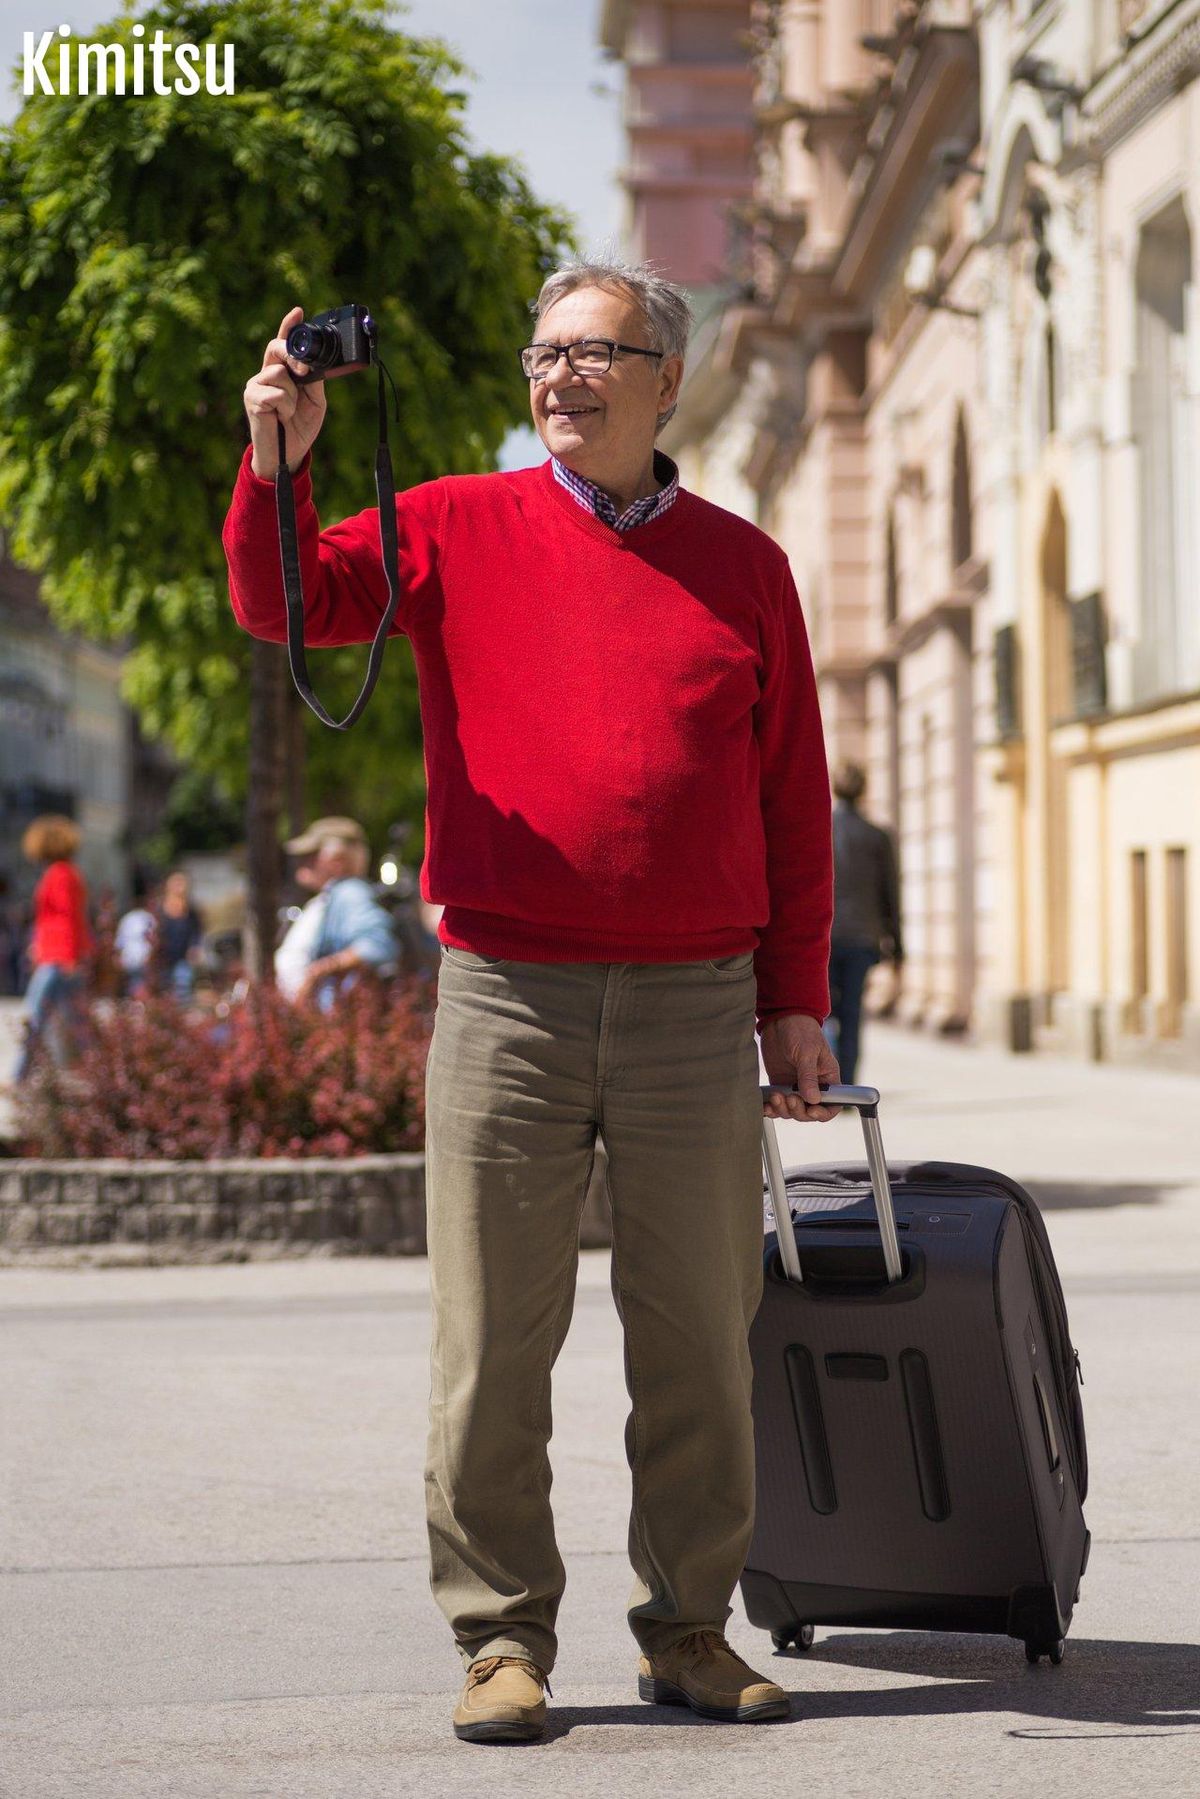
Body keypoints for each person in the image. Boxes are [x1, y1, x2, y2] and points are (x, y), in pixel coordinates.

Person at [223, 259, 839, 1742]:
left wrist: (794, 1002)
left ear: (666, 381)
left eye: (596, 353)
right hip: (509, 988)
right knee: (493, 1336)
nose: (560, 376)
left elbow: (789, 798)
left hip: (698, 998)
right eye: (544, 354)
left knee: (699, 1330)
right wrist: (275, 464)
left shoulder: (745, 563)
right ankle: (501, 1636)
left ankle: (691, 1623)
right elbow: (278, 602)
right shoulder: (450, 522)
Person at [826, 761, 903, 1085]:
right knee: (854, 1013)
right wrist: (898, 947)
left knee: (823, 1009)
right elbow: (890, 894)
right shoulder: (877, 835)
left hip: (823, 936)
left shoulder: (819, 828)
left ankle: (826, 1078)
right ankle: (848, 1081)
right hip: (863, 938)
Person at [274, 817, 397, 1007]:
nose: (302, 862)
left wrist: (315, 973)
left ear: (337, 859)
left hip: (334, 1023)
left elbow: (376, 945)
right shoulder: (332, 895)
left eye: (311, 854)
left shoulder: (349, 892)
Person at [13, 815, 93, 1082]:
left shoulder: (59, 874)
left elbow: (68, 917)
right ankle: (95, 1071)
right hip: (58, 954)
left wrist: (68, 956)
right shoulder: (67, 872)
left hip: (59, 957)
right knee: (76, 1022)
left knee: (36, 1017)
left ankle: (18, 1076)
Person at [156, 870, 205, 1002]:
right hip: (163, 957)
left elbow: (197, 932)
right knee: (164, 988)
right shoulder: (160, 908)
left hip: (184, 957)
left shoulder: (190, 910)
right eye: (176, 883)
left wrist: (195, 947)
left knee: (183, 987)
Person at [114, 884, 157, 999]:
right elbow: (120, 942)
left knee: (141, 989)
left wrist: (150, 958)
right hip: (129, 961)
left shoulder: (148, 918)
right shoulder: (128, 919)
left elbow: (153, 940)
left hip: (144, 961)